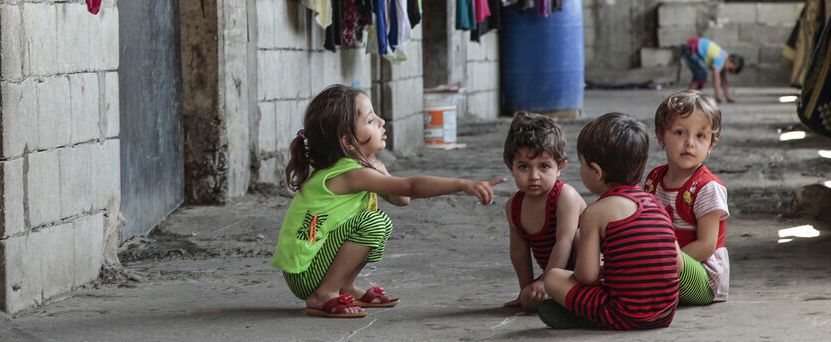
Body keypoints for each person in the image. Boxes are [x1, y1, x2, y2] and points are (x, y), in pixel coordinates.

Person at [270, 84, 505, 318]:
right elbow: (411, 187)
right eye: (371, 120)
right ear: (349, 142)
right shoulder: (349, 174)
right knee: (372, 222)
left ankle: (344, 287)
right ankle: (325, 293)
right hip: (306, 272)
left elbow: (402, 199)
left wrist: (383, 173)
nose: (382, 121)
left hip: (314, 265)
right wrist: (463, 184)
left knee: (381, 223)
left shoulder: (361, 168)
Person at [538, 112, 680, 330]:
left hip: (625, 315)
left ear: (596, 171)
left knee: (554, 278)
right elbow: (677, 264)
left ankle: (584, 317)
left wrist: (599, 272)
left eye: (581, 163)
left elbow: (586, 276)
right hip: (666, 314)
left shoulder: (594, 213)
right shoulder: (656, 204)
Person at [643, 90, 730, 306]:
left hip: (701, 276)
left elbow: (706, 245)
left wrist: (664, 261)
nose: (690, 143)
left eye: (700, 136)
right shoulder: (654, 179)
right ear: (661, 136)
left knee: (641, 279)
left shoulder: (707, 187)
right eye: (680, 132)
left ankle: (635, 298)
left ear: (711, 144)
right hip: (666, 266)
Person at [500, 113, 586, 312]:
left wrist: (545, 281)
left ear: (560, 167)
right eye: (523, 167)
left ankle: (588, 296)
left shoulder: (565, 196)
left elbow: (564, 242)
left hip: (594, 269)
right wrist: (527, 289)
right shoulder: (514, 206)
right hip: (561, 274)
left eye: (544, 166)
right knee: (532, 301)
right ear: (510, 166)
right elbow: (519, 251)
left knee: (580, 236)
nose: (534, 176)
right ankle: (568, 299)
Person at [680, 37, 745, 103]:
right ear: (730, 59)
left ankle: (689, 96)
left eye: (730, 71)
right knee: (701, 72)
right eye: (729, 69)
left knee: (700, 76)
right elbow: (715, 77)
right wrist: (718, 96)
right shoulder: (720, 59)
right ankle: (687, 98)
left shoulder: (723, 58)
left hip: (689, 47)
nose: (727, 71)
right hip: (690, 47)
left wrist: (728, 97)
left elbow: (724, 82)